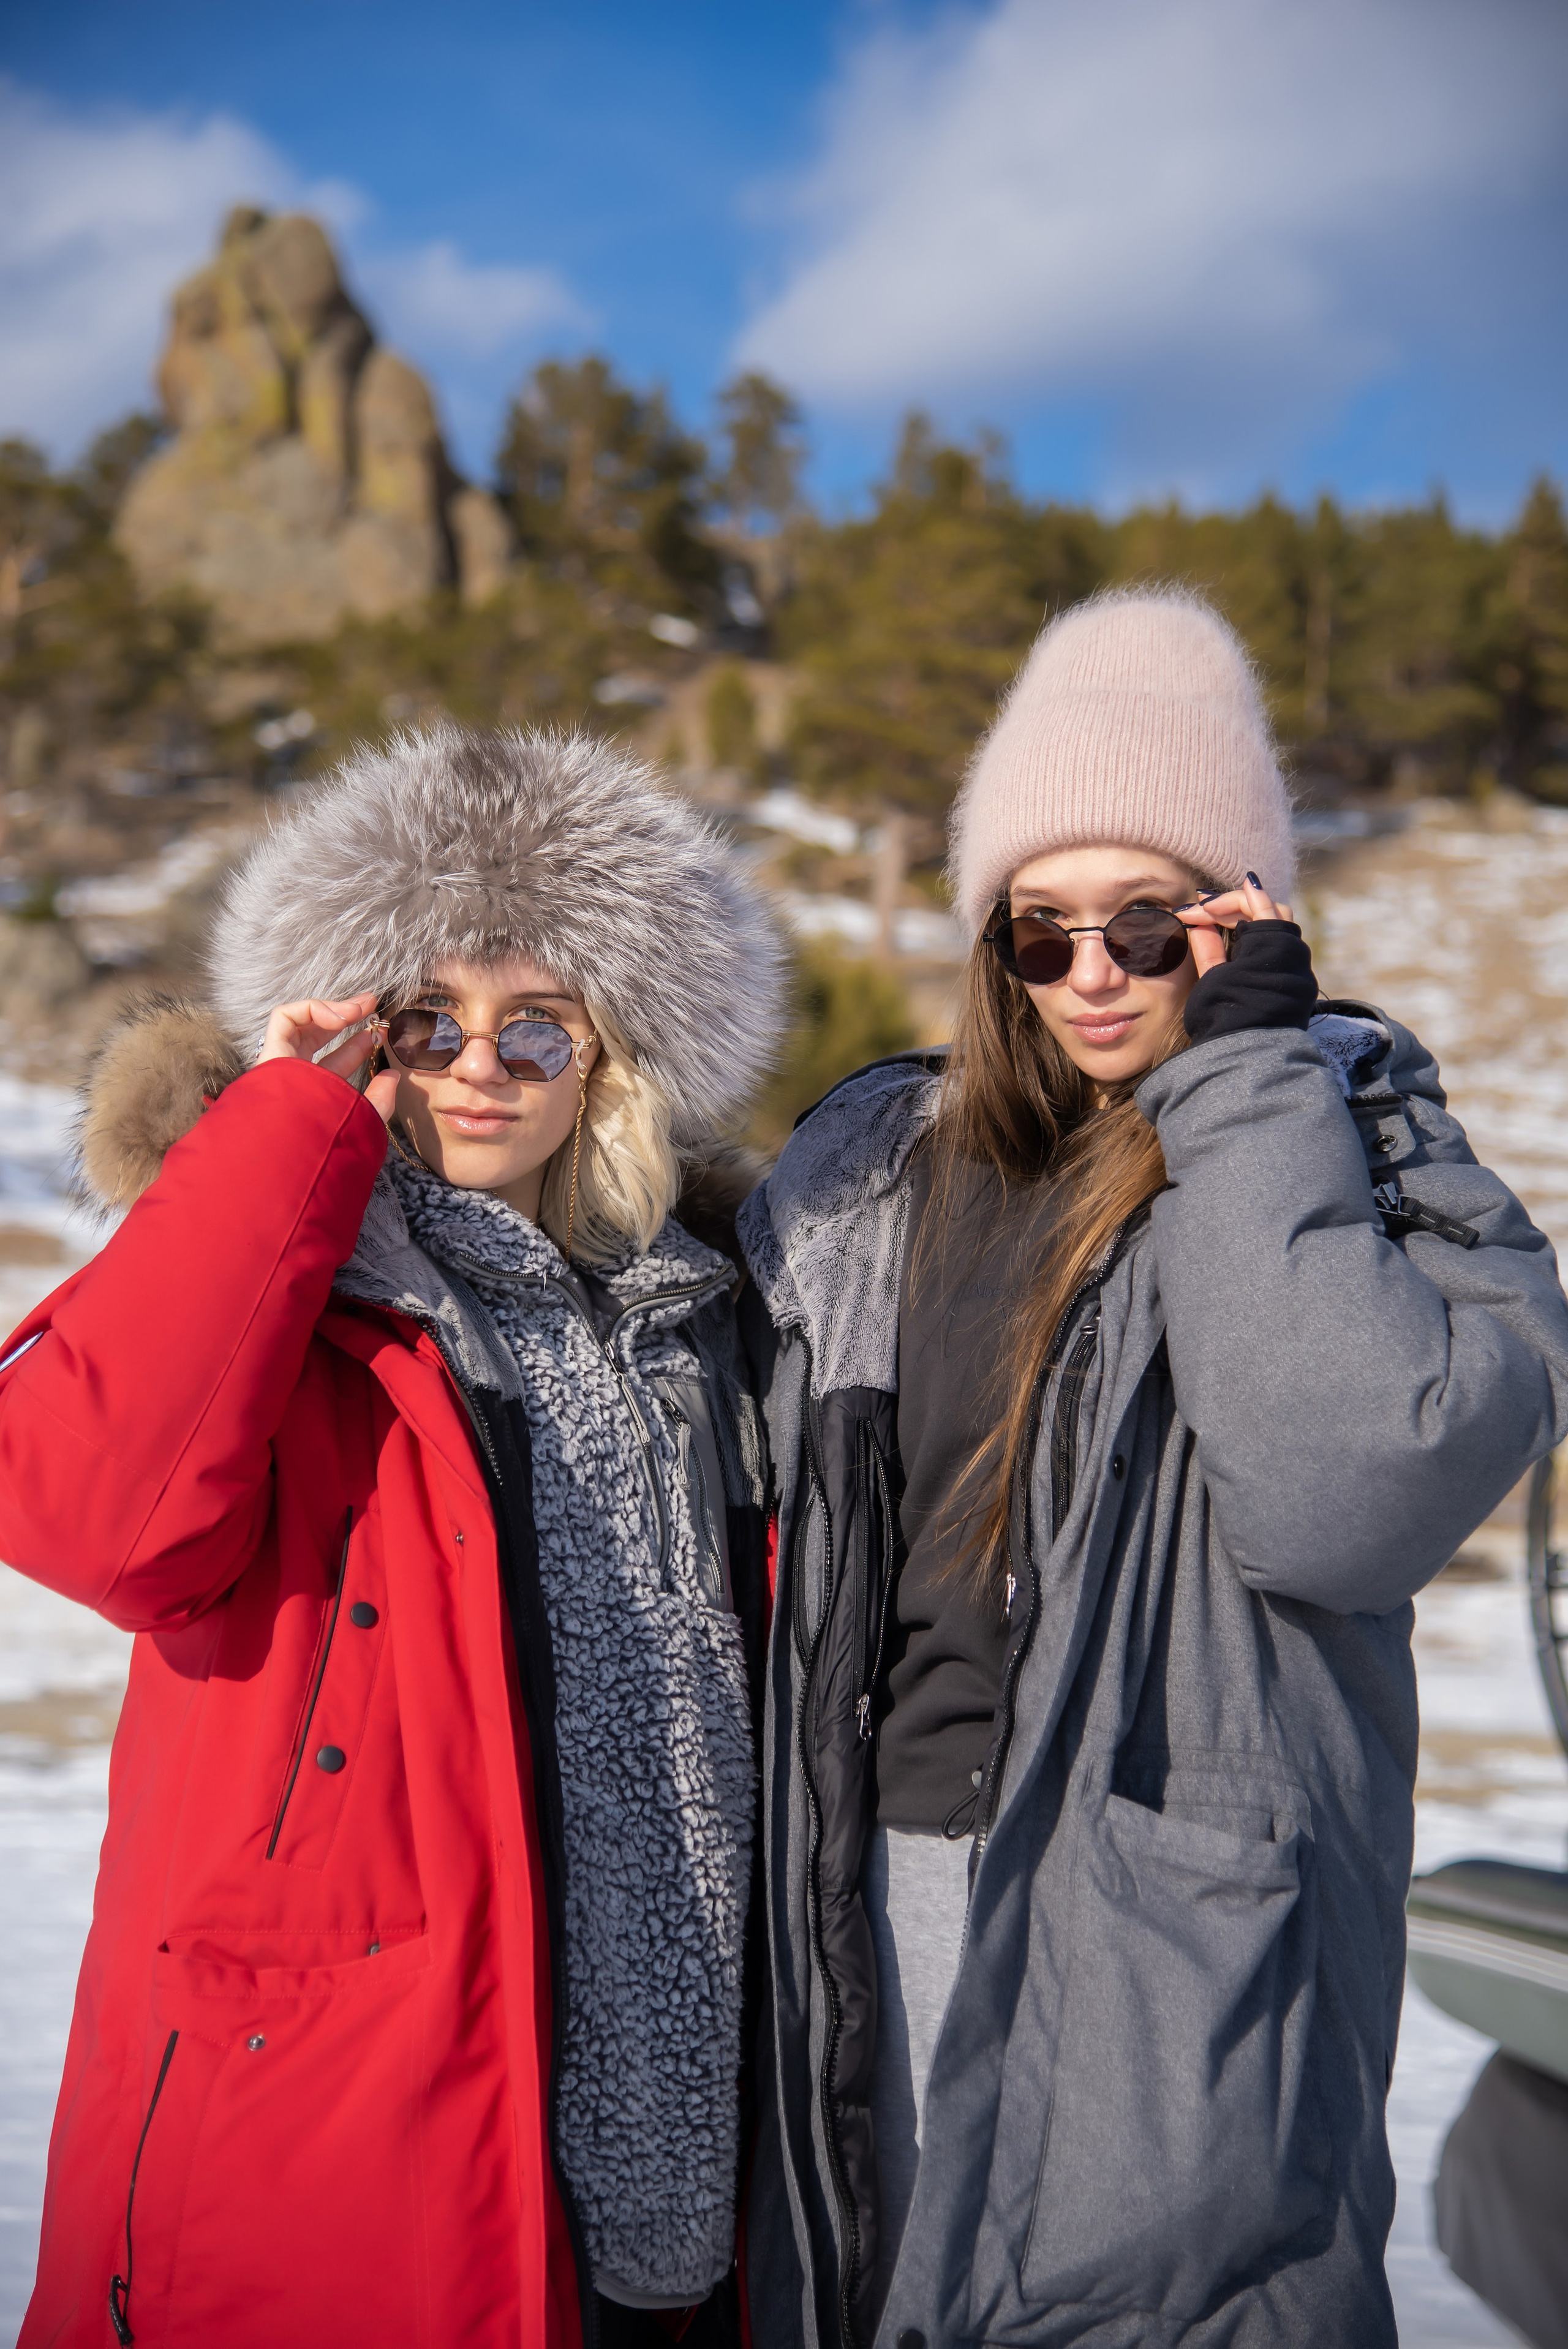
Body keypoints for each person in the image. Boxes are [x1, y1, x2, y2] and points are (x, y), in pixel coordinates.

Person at [736, 590, 1568, 2348]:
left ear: (1246, 915)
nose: (1093, 973)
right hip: (873, 1916)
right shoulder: (880, 1169)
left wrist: (1262, 1076)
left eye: (1146, 920)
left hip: (1172, 1960)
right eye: (1042, 932)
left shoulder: (1373, 1156)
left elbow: (1346, 1489)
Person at [4, 725, 782, 2348]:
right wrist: (282, 1123)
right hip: (328, 2142)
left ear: (611, 1062)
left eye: (536, 1028)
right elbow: (76, 1503)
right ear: (363, 1039)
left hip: (666, 2184)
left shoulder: (705, 1327)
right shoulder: (280, 1297)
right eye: (426, 1020)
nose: (479, 1063)